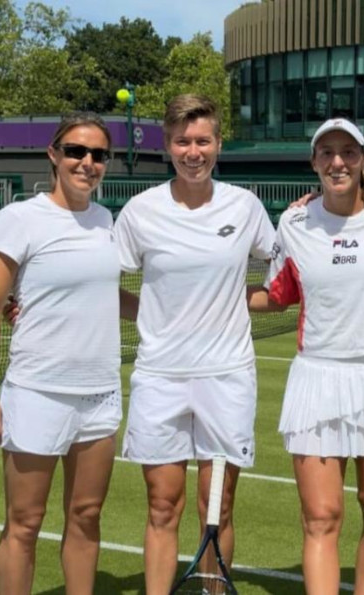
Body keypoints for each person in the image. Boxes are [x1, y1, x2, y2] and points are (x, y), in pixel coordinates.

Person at [112, 94, 276, 594]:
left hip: (226, 378)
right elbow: (99, 279)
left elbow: (283, 271)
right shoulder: (140, 212)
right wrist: (150, 313)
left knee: (218, 504)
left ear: (217, 144)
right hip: (160, 377)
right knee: (163, 503)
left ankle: (213, 591)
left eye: (202, 141)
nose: (193, 151)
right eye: (183, 141)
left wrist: (240, 298)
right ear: (168, 145)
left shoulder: (244, 207)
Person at [0, 112, 135, 594]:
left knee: (85, 516)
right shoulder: (19, 218)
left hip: (99, 394)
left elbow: (109, 295)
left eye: (99, 154)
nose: (88, 163)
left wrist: (164, 314)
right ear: (54, 155)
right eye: (77, 151)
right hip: (38, 392)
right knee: (25, 522)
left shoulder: (107, 221)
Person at [248, 118, 364, 595]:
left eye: (348, 151)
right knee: (321, 516)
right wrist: (207, 299)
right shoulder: (295, 222)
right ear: (314, 162)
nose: (337, 161)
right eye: (327, 153)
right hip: (316, 378)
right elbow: (277, 296)